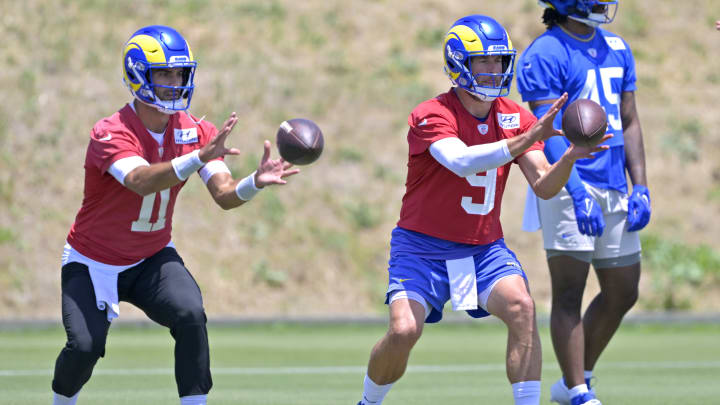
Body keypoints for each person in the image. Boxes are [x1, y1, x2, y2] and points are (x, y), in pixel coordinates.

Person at [356, 15, 609, 405]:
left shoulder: (514, 117)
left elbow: (543, 186)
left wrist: (571, 157)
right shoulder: (431, 114)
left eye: (500, 62)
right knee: (404, 331)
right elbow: (461, 161)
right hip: (422, 248)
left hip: (483, 248)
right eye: (483, 62)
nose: (494, 71)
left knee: (522, 307)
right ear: (459, 64)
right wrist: (525, 139)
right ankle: (369, 402)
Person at [51, 25, 299, 405]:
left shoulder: (195, 131)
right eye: (164, 73)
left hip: (151, 258)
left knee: (190, 314)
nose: (175, 81)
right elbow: (138, 180)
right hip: (92, 260)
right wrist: (198, 156)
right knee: (85, 346)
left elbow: (225, 196)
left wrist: (255, 181)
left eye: (179, 73)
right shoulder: (110, 132)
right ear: (137, 75)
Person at [516, 1, 651, 405]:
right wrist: (574, 191)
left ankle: (579, 376)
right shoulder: (544, 53)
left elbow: (628, 119)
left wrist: (640, 185)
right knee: (570, 290)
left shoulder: (618, 47)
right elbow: (546, 127)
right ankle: (578, 390)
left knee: (623, 289)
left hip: (613, 183)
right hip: (567, 180)